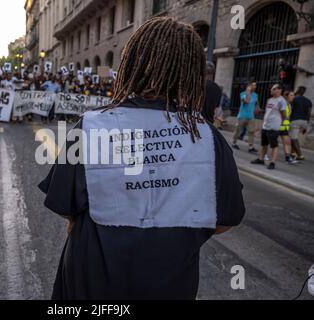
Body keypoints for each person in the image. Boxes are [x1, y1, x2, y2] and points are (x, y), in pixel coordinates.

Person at [38, 16, 245, 300]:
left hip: (91, 284)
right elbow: (225, 220)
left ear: (132, 63)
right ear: (191, 71)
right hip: (170, 285)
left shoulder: (91, 126)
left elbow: (64, 204)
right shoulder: (208, 138)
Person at [251, 84, 287, 170]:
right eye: (271, 89)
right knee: (264, 144)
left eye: (274, 89)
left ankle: (272, 162)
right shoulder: (270, 100)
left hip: (274, 126)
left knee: (274, 145)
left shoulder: (281, 100)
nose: (272, 90)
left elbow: (284, 114)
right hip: (266, 125)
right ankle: (261, 159)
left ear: (279, 90)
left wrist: (282, 123)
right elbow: (268, 112)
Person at [232, 82, 259, 153]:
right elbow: (246, 101)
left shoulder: (255, 95)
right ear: (248, 86)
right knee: (238, 130)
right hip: (242, 116)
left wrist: (257, 109)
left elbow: (255, 104)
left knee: (251, 132)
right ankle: (234, 143)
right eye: (253, 85)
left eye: (255, 85)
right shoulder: (243, 93)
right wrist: (248, 92)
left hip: (251, 116)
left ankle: (251, 147)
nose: (254, 87)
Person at [290, 86, 312, 160]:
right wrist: (306, 125)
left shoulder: (294, 99)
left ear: (298, 90)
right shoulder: (308, 101)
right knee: (294, 137)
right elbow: (309, 113)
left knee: (293, 138)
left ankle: (300, 155)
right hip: (304, 121)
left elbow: (290, 110)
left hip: (295, 120)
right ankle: (292, 153)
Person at [280, 91, 298, 164]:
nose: (293, 97)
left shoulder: (289, 105)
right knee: (270, 141)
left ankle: (287, 157)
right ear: (286, 96)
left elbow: (288, 117)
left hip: (285, 127)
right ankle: (263, 155)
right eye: (291, 95)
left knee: (286, 142)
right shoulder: (282, 104)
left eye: (293, 95)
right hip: (278, 125)